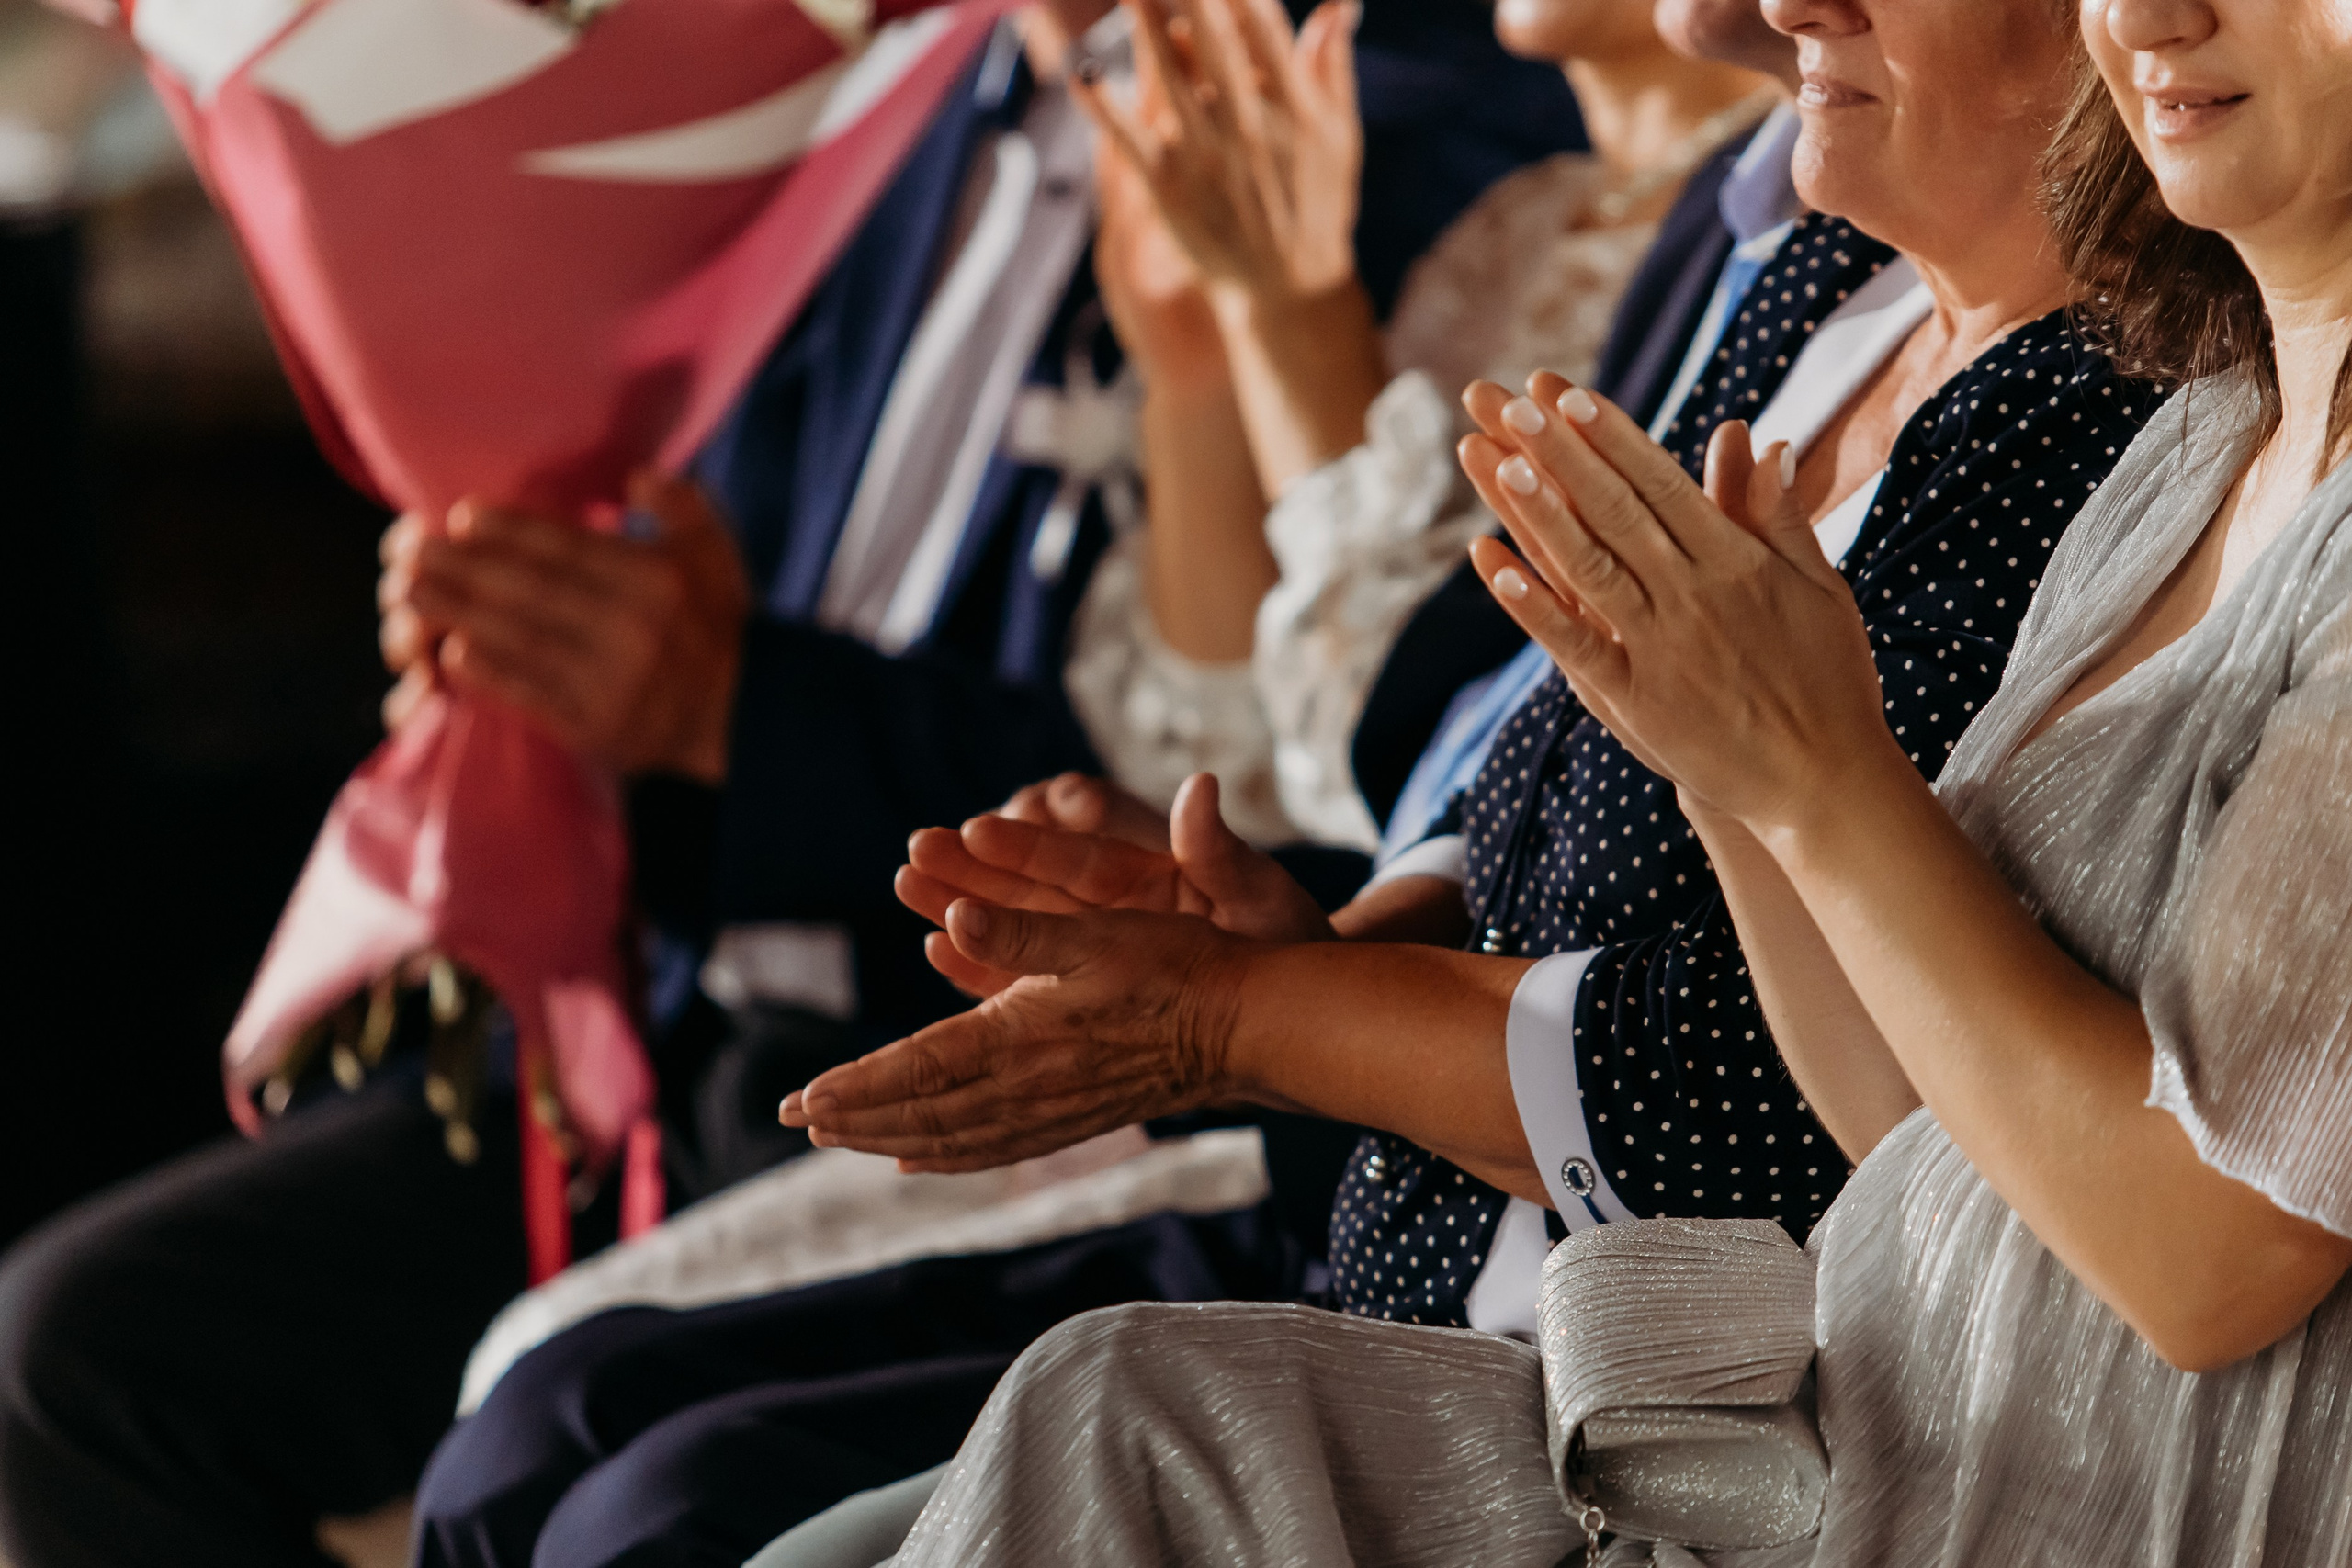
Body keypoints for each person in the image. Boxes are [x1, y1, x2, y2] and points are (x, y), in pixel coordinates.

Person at [0, 6, 1574, 1566]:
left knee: (599, 1476)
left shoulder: (1381, 140)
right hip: (693, 986)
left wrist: (736, 707)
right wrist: (560, 645)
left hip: (980, 1042)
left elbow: (1256, 785)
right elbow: (720, 551)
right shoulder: (900, 96)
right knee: (68, 1350)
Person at [819, 0, 2352, 1559]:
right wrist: (1735, 778)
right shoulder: (2195, 451)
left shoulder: (2121, 409)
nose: (2149, 14)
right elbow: (1908, 1120)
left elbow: (2204, 1255)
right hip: (1834, 1429)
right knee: (1082, 1413)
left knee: (1091, 1417)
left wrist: (1253, 1012)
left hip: (1975, 1481)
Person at [1062, 0, 1776, 849]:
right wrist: (1199, 372)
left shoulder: (1775, 244)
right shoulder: (1518, 220)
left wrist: (1293, 312)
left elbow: (1412, 760)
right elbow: (1221, 760)